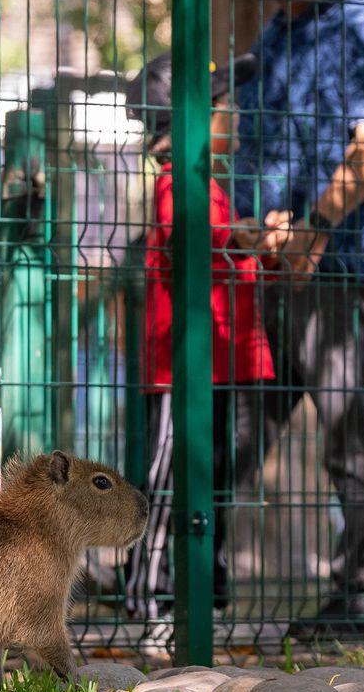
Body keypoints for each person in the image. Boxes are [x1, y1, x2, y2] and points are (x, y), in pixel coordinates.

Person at [231, 0, 364, 641]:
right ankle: (175, 574)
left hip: (338, 270)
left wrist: (315, 227)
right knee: (234, 428)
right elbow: (263, 145)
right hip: (268, 267)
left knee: (350, 431)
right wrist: (253, 223)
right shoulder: (276, 32)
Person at [122, 51, 291, 657]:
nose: (234, 115)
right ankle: (155, 603)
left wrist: (256, 243)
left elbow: (224, 258)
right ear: (191, 117)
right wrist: (242, 235)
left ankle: (201, 600)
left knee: (214, 481)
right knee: (167, 486)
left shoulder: (209, 187)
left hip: (219, 364)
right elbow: (192, 243)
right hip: (182, 370)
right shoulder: (178, 185)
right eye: (223, 105)